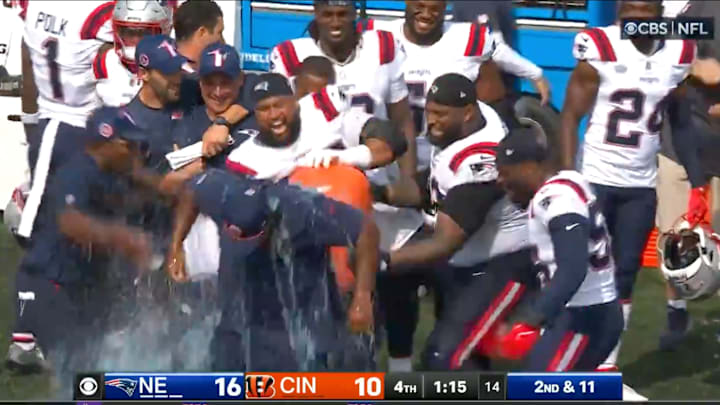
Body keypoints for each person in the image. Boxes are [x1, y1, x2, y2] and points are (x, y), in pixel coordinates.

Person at [557, 0, 707, 373]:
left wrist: (698, 179)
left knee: (625, 274)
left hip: (640, 185)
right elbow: (570, 114)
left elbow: (681, 122)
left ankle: (607, 365)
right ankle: (564, 358)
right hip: (595, 178)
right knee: (580, 271)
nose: (637, 22)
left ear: (660, 16)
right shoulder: (602, 46)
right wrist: (566, 177)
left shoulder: (678, 52)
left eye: (645, 14)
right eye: (630, 14)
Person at [379, 73, 533, 371]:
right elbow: (430, 189)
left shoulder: (481, 162)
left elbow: (446, 242)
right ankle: (401, 369)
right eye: (429, 112)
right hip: (464, 253)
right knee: (394, 282)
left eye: (440, 115)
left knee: (447, 357)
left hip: (498, 264)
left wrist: (384, 259)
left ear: (467, 113)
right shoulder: (470, 122)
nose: (431, 121)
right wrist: (377, 191)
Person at [165, 167, 380, 371]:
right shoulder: (219, 191)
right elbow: (191, 191)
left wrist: (362, 297)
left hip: (299, 320)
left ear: (270, 222)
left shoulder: (304, 211)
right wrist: (177, 245)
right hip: (236, 319)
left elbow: (365, 229)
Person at [6, 107, 155, 373]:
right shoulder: (76, 172)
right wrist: (125, 238)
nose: (135, 151)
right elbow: (71, 223)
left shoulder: (107, 176)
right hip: (52, 286)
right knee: (79, 371)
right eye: (128, 144)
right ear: (105, 142)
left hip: (78, 283)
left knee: (91, 367)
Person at [487, 131, 623, 372]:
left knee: (538, 389)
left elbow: (572, 269)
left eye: (505, 172)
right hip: (585, 312)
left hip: (585, 318)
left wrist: (529, 319)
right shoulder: (569, 180)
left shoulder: (555, 200)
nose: (500, 180)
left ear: (528, 167)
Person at [16, 0, 115, 240]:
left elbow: (26, 53)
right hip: (86, 128)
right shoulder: (102, 12)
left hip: (51, 125)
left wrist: (29, 121)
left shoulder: (33, 5)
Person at [656, 0, 720, 351]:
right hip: (681, 141)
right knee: (674, 236)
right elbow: (658, 53)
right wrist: (692, 66)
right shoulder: (688, 10)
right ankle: (675, 311)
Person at [94, 0, 174, 107]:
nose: (136, 41)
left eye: (144, 33)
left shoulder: (178, 67)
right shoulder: (105, 62)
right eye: (129, 33)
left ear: (165, 30)